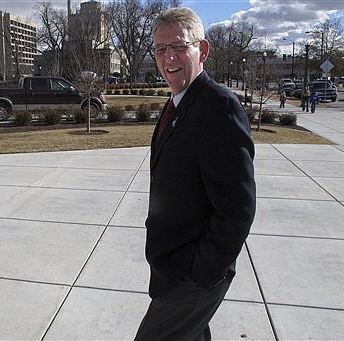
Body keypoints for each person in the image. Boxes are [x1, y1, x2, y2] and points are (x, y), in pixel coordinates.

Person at [134, 7, 256, 341]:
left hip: (192, 276)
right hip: (171, 266)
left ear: (202, 50)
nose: (168, 57)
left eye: (179, 46)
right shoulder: (178, 101)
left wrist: (202, 274)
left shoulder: (219, 107)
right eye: (161, 49)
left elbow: (238, 209)